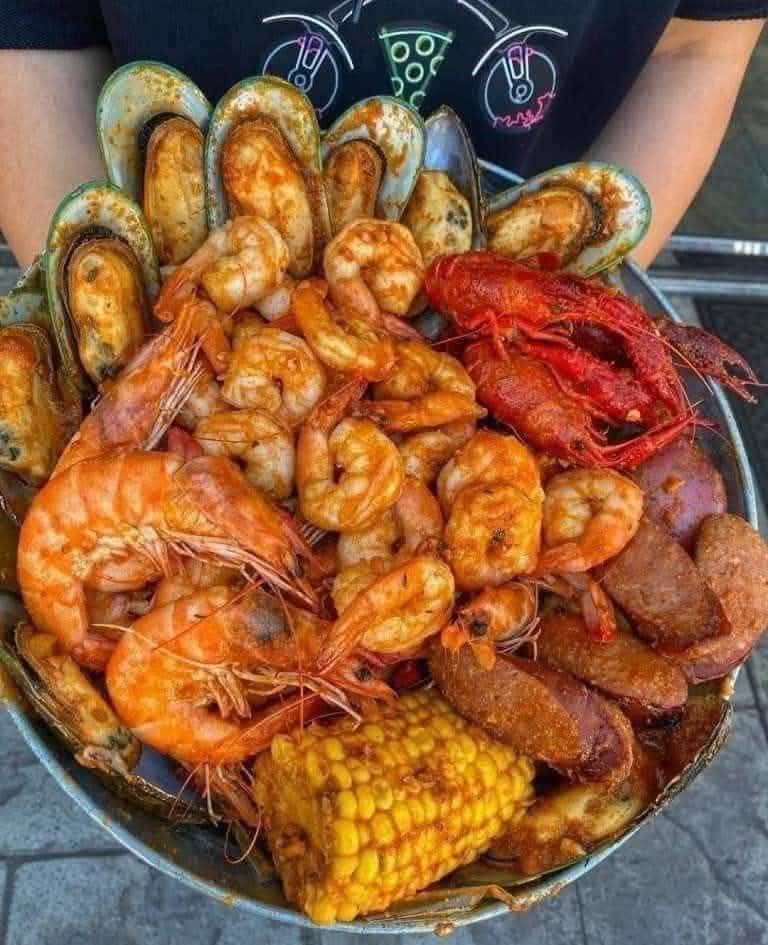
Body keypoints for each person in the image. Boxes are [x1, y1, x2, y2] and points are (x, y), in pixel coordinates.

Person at [0, 1, 764, 268]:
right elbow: (33, 38)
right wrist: (122, 368)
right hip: (170, 267)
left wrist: (562, 318)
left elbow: (694, 48)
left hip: (516, 273)